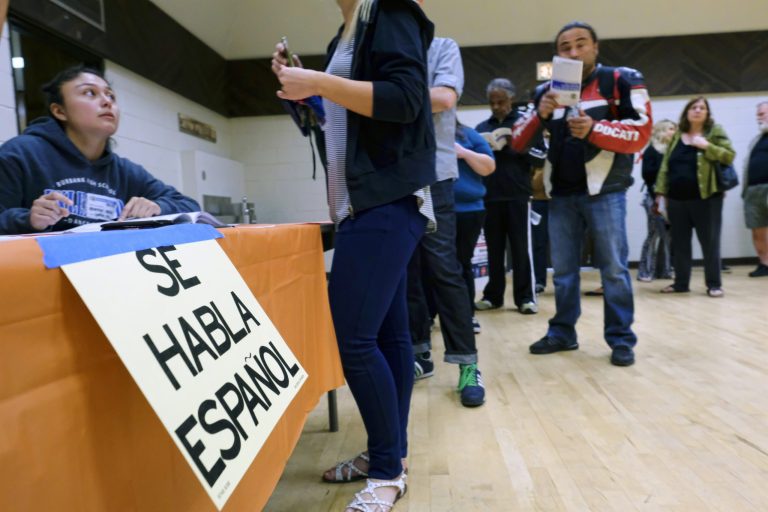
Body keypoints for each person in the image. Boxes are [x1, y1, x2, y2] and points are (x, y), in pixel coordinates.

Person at [272, 0, 434, 509]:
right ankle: (391, 454)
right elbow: (345, 118)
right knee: (387, 337)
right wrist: (307, 94)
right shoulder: (344, 33)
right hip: (361, 202)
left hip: (384, 199)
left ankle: (387, 472)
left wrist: (318, 82)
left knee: (354, 339)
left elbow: (405, 99)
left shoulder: (389, 11)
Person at [510, 21, 652, 367]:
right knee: (562, 272)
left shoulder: (621, 79)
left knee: (614, 270)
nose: (573, 52)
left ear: (595, 46)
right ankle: (563, 332)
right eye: (564, 47)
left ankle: (620, 339)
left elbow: (642, 131)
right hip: (560, 195)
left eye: (580, 44)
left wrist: (594, 130)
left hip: (607, 191)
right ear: (557, 54)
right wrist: (541, 113)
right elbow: (516, 142)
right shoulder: (546, 90)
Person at [0, 65, 199, 234]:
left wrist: (158, 207)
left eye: (110, 95)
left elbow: (189, 206)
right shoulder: (20, 153)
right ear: (59, 111)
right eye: (89, 92)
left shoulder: (123, 170)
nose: (107, 102)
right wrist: (27, 219)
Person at [406, 36, 486, 408]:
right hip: (389, 177)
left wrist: (381, 97)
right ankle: (420, 355)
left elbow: (443, 98)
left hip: (434, 174)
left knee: (444, 270)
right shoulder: (375, 47)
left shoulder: (442, 47)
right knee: (408, 271)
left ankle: (467, 365)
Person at [474, 79, 545, 315]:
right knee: (493, 250)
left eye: (501, 101)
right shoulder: (482, 127)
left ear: (511, 99)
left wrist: (518, 147)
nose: (496, 106)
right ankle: (493, 296)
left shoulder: (526, 124)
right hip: (490, 195)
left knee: (521, 249)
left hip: (518, 194)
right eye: (492, 102)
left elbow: (541, 157)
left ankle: (525, 298)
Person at [655, 97, 735, 297]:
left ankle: (714, 284)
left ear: (707, 113)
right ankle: (681, 283)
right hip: (676, 199)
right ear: (687, 112)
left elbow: (729, 155)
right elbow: (666, 165)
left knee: (710, 242)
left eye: (702, 108)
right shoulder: (677, 136)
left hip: (707, 198)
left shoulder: (714, 132)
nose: (698, 110)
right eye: (694, 107)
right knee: (680, 243)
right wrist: (660, 193)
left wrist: (707, 146)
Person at [453, 120, 495, 334]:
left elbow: (489, 167)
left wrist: (463, 153)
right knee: (430, 267)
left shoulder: (469, 135)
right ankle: (428, 317)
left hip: (469, 211)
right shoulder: (424, 132)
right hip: (435, 211)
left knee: (462, 263)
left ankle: (467, 315)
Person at [637, 119, 676, 282]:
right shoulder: (651, 151)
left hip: (670, 199)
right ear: (661, 131)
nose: (674, 132)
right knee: (653, 235)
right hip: (654, 199)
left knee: (668, 236)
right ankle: (645, 271)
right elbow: (647, 174)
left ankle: (664, 270)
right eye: (671, 129)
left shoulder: (673, 151)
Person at [742, 101, 768, 277]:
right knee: (757, 229)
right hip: (752, 190)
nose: (760, 117)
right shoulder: (756, 140)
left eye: (763, 113)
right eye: (758, 114)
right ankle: (764, 264)